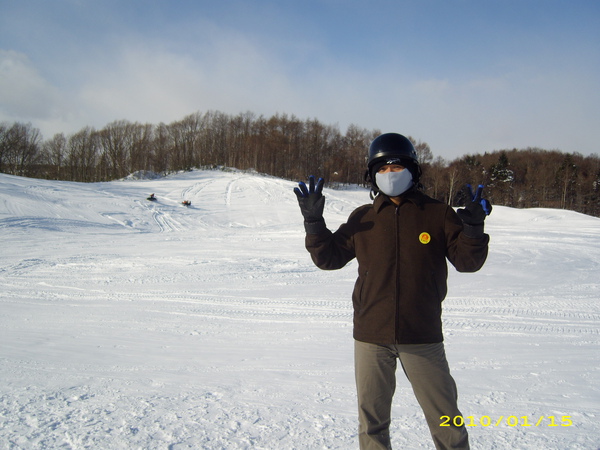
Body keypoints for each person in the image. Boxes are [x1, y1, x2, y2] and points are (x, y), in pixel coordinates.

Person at [294, 133, 491, 450]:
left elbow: (468, 262)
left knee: (446, 420)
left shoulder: (437, 214)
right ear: (372, 175)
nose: (389, 174)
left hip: (422, 335)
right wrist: (314, 223)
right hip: (371, 335)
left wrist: (472, 229)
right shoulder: (363, 218)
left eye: (396, 166)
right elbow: (328, 259)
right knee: (372, 423)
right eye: (381, 169)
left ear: (413, 170)